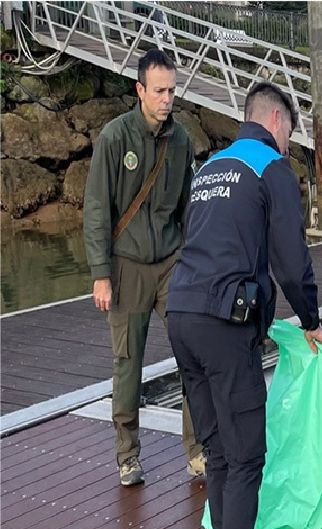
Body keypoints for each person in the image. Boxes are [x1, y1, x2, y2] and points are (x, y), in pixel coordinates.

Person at [166, 81, 322, 529]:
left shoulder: (211, 167)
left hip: (182, 315)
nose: (289, 145)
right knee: (245, 457)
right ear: (278, 122)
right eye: (290, 134)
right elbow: (291, 258)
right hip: (223, 322)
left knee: (217, 451)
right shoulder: (271, 167)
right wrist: (310, 320)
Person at [83, 48, 203, 487]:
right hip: (127, 266)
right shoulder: (115, 138)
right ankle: (128, 455)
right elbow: (97, 208)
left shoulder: (181, 140)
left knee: (193, 351)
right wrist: (101, 274)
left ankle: (197, 450)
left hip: (172, 262)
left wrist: (197, 261)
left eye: (172, 90)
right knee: (127, 364)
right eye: (159, 91)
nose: (167, 99)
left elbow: (189, 208)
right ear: (140, 90)